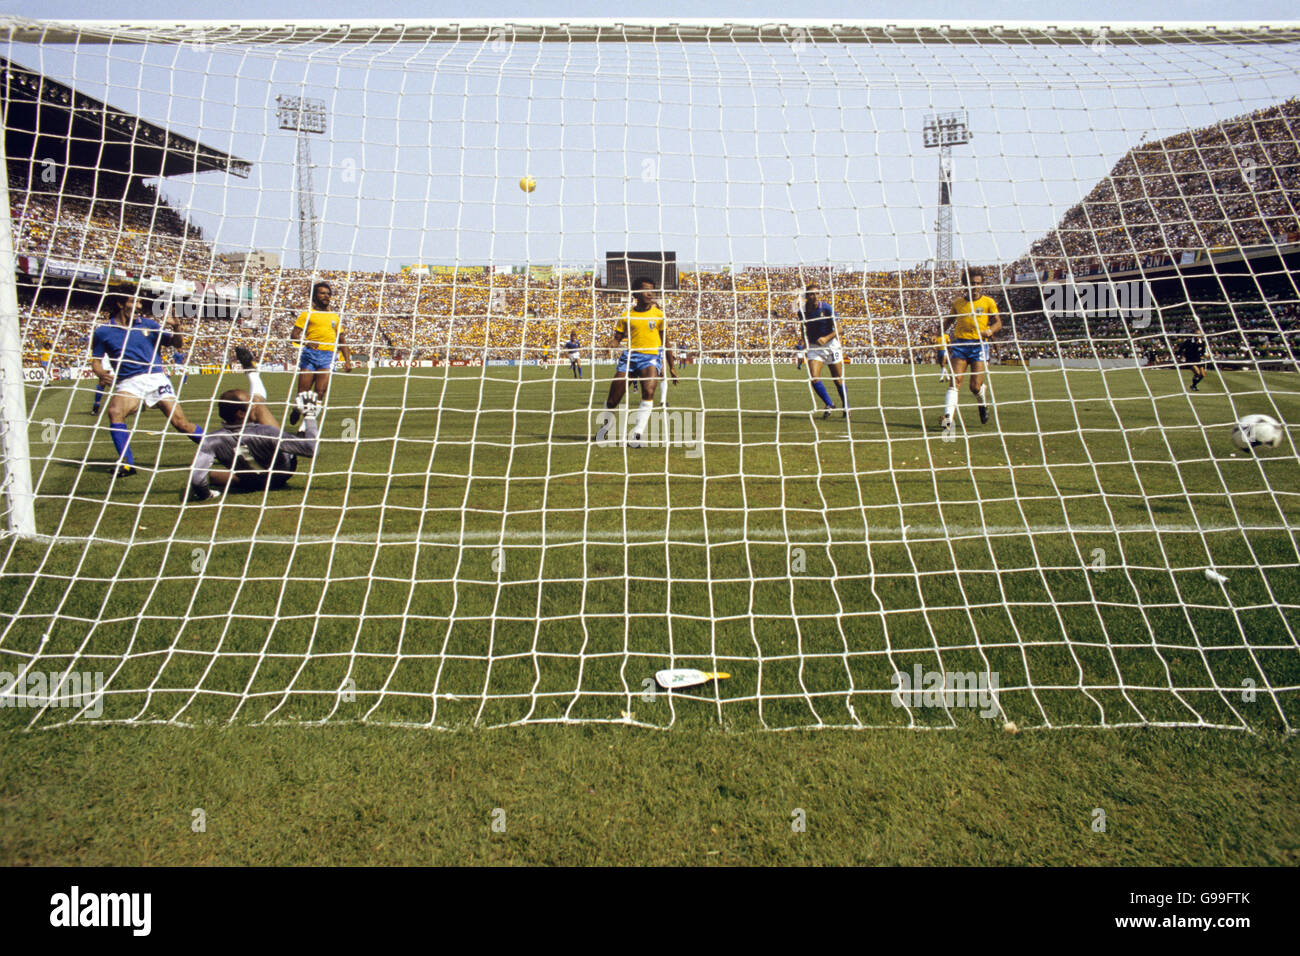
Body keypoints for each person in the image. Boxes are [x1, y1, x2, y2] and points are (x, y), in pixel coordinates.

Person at [90, 293, 203, 477]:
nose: (139, 306)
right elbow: (95, 361)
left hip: (155, 377)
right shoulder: (103, 331)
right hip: (129, 382)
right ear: (120, 304)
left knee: (180, 423)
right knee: (115, 412)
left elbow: (177, 343)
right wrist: (100, 373)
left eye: (140, 302)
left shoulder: (149, 325)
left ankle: (216, 446)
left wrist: (176, 327)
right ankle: (127, 463)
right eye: (134, 301)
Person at [188, 384, 320, 501]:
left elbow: (197, 479)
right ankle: (302, 431)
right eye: (250, 403)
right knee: (274, 438)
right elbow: (311, 449)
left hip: (251, 482)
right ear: (240, 413)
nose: (254, 405)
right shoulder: (266, 431)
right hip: (282, 474)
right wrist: (310, 416)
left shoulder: (210, 440)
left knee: (212, 476)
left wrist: (205, 495)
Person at [598, 277, 678, 445]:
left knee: (648, 391)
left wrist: (672, 367)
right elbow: (617, 338)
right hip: (629, 358)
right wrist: (610, 345)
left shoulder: (658, 315)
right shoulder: (626, 315)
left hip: (650, 358)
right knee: (613, 400)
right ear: (636, 293)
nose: (650, 293)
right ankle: (604, 428)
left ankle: (637, 434)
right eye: (645, 290)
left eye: (652, 290)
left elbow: (666, 341)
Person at [940, 268, 1002, 431]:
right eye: (972, 283)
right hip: (960, 344)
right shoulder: (958, 303)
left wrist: (990, 330)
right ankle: (948, 419)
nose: (975, 287)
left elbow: (998, 323)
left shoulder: (988, 302)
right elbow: (949, 321)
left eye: (978, 284)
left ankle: (982, 404)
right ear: (965, 284)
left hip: (979, 345)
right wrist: (939, 332)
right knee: (955, 381)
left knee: (975, 386)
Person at [289, 280, 352, 425]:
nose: (326, 296)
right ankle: (296, 409)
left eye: (328, 294)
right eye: (322, 293)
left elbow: (342, 340)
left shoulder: (335, 317)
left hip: (328, 356)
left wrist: (347, 360)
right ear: (314, 296)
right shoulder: (307, 314)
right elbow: (294, 336)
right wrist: (306, 342)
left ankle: (305, 427)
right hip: (310, 354)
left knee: (320, 392)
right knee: (303, 393)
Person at [797, 284, 847, 420]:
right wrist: (801, 351)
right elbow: (804, 331)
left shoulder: (826, 308)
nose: (815, 296)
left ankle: (846, 406)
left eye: (817, 293)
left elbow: (840, 329)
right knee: (814, 378)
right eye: (812, 294)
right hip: (814, 347)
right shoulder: (801, 311)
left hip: (831, 345)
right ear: (806, 296)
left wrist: (826, 338)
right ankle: (829, 404)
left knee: (837, 380)